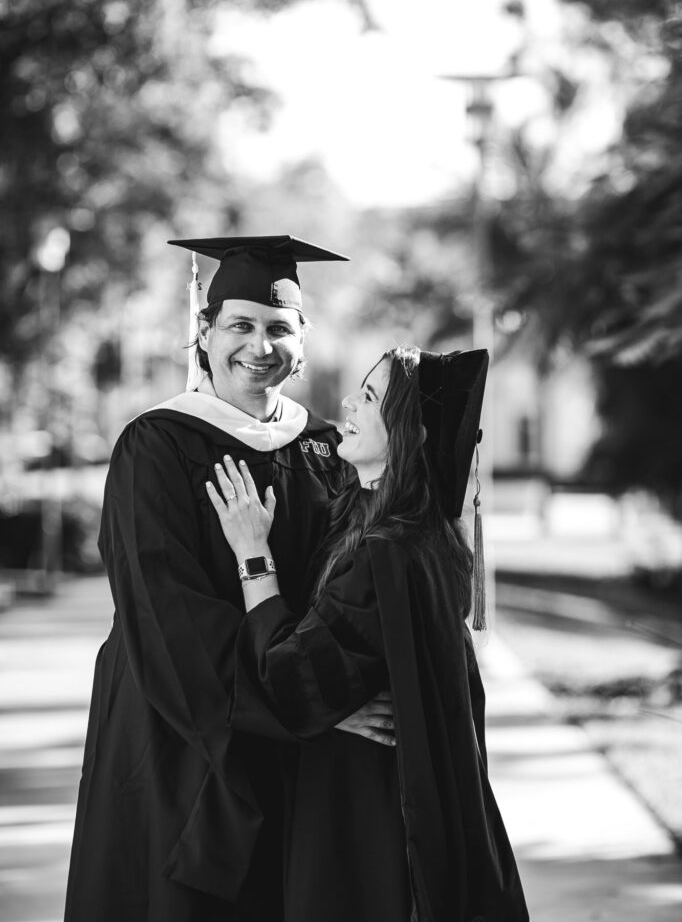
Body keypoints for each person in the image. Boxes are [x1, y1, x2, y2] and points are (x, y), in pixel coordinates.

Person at [65, 235, 390, 922]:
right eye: (239, 325)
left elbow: (343, 600)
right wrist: (307, 709)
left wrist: (326, 693)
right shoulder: (155, 447)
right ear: (204, 334)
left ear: (302, 342)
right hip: (177, 731)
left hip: (291, 733)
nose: (259, 345)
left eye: (279, 328)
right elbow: (167, 617)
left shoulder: (326, 451)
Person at [206, 344, 530, 922]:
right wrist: (340, 702)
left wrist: (253, 556)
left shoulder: (385, 558)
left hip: (362, 819)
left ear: (414, 434)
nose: (349, 403)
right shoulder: (419, 540)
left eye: (372, 396)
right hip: (388, 803)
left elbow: (291, 682)